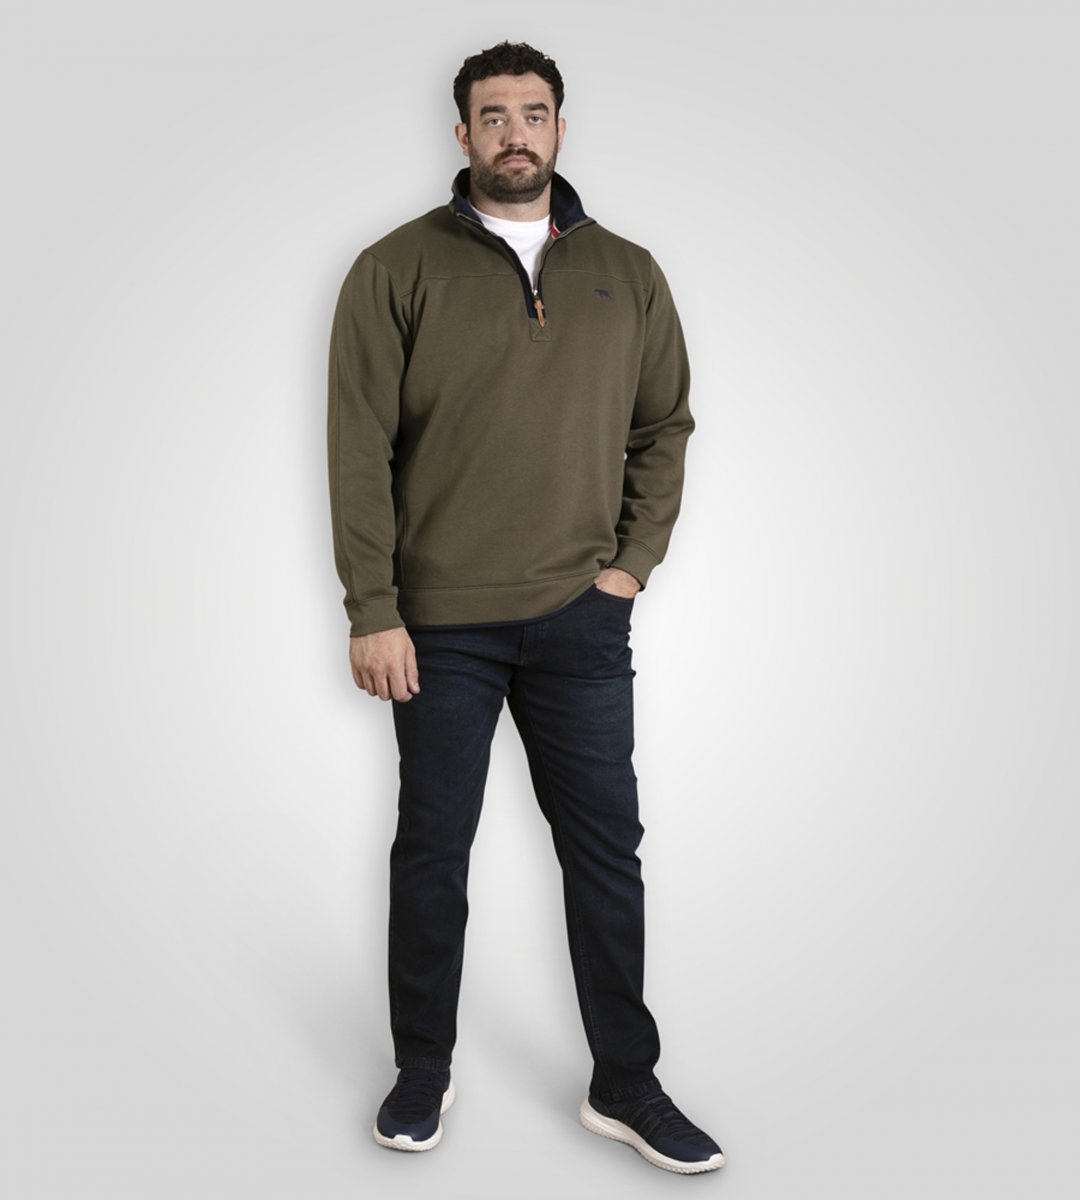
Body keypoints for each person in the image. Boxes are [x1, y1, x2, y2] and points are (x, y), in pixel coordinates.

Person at [326, 40, 724, 1175]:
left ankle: (625, 1082)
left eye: (533, 113)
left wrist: (630, 568)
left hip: (580, 622)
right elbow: (358, 449)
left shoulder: (628, 272)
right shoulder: (395, 267)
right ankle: (423, 1066)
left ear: (560, 127)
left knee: (606, 854)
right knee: (432, 851)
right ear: (462, 135)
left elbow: (665, 426)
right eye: (493, 116)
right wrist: (372, 607)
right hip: (437, 625)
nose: (514, 133)